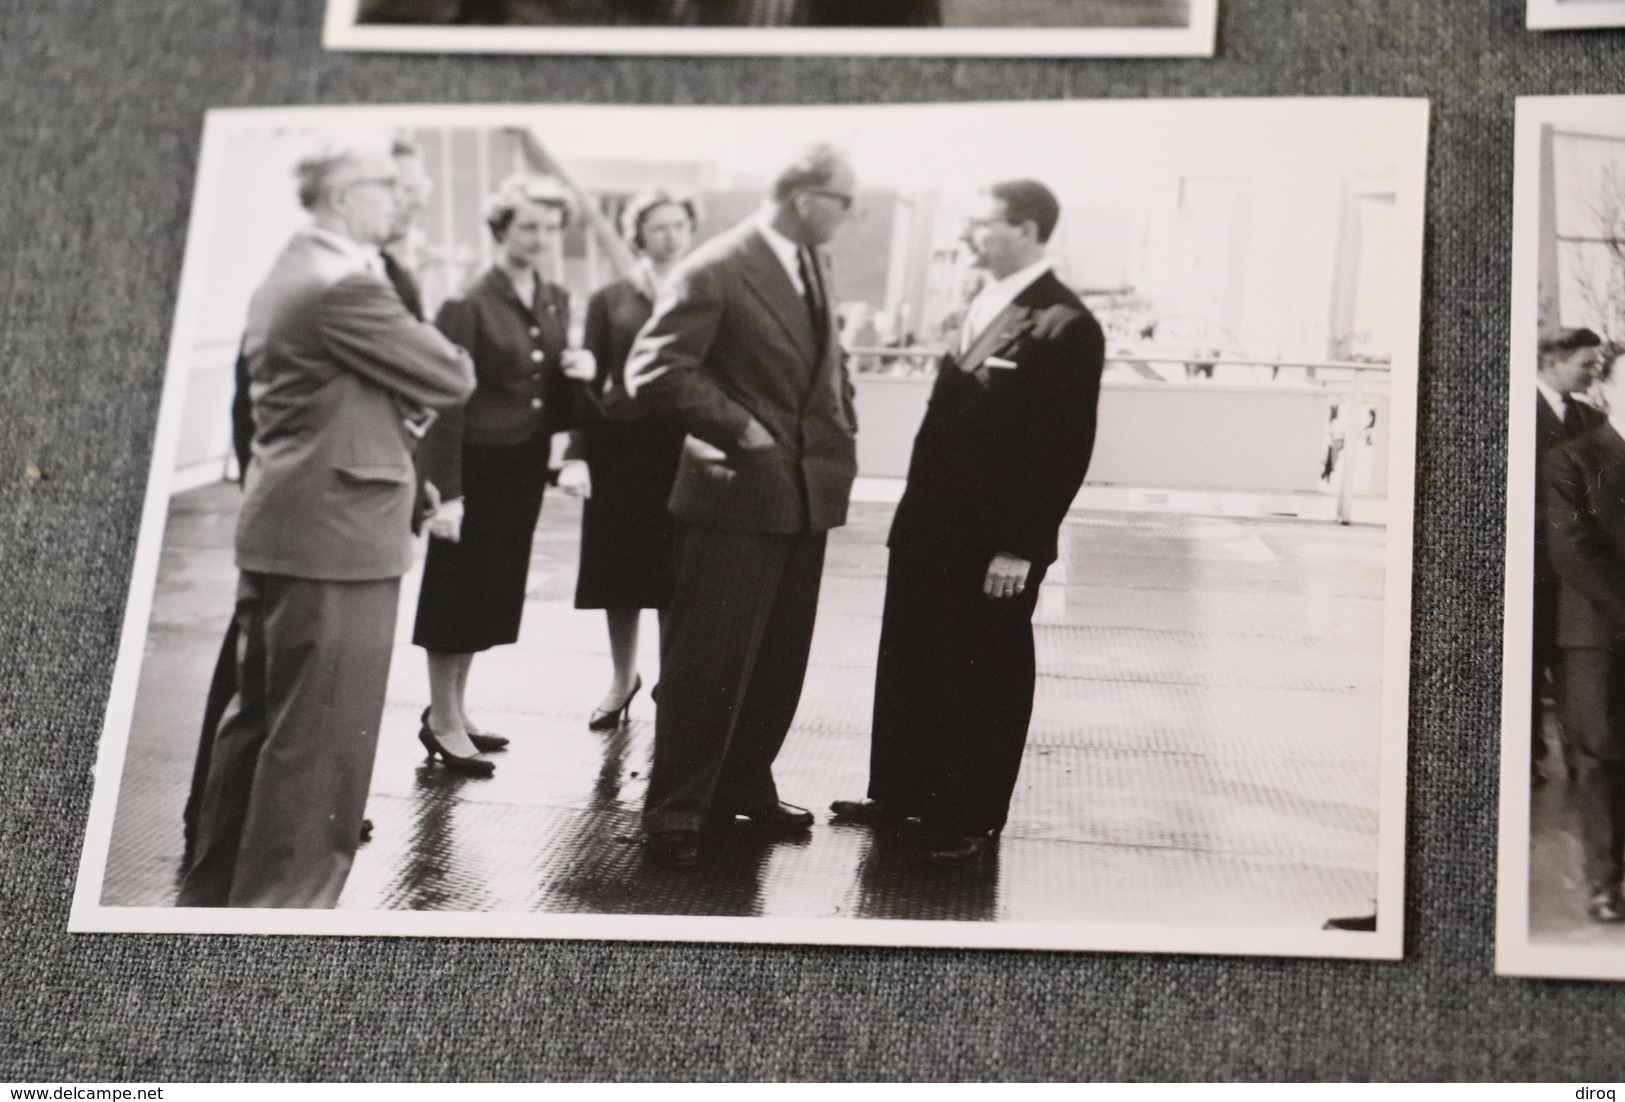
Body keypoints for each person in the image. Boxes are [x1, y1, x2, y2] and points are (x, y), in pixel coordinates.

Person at [178, 141, 475, 908]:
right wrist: (407, 386)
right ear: (345, 197)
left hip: (289, 526)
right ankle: (285, 910)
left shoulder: (292, 269)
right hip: (339, 539)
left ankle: (216, 894)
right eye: (389, 188)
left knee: (260, 727)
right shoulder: (344, 283)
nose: (401, 201)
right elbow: (452, 373)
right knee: (319, 749)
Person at [831, 179, 1105, 867]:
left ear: (1028, 229)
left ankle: (970, 813)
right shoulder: (978, 305)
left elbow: (1060, 450)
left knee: (983, 671)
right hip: (928, 526)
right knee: (913, 658)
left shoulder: (1063, 325)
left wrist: (1021, 546)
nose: (966, 236)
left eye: (981, 224)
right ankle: (898, 793)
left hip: (992, 541)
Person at [622, 143, 860, 867]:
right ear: (803, 200)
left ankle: (743, 786)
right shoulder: (716, 267)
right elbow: (654, 369)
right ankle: (675, 811)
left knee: (777, 658)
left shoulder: (811, 263)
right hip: (737, 496)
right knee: (708, 662)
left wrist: (842, 420)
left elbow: (827, 363)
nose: (852, 215)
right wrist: (739, 427)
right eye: (844, 201)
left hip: (802, 494)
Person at [412, 174, 589, 775]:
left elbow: (553, 381)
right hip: (475, 466)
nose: (540, 237)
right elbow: (443, 402)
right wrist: (447, 493)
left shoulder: (554, 295)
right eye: (527, 226)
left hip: (523, 463)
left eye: (549, 227)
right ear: (500, 230)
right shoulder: (467, 301)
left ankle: (456, 711)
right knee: (455, 589)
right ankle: (441, 718)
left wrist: (582, 372)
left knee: (490, 588)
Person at [568, 188, 698, 730]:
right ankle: (624, 678)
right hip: (620, 446)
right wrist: (577, 453)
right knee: (618, 572)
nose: (671, 235)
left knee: (679, 570)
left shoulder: (706, 291)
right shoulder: (610, 297)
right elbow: (587, 379)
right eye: (659, 226)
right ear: (638, 234)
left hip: (685, 446)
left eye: (679, 225)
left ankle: (676, 684)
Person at [1545, 345, 1625, 921]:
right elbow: (1572, 549)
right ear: (1606, 391)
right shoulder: (1571, 459)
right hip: (1599, 636)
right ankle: (1605, 881)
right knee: (1600, 757)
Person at [1534, 327, 1605, 785]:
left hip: (1576, 578)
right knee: (1529, 661)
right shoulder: (1514, 413)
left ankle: (1580, 758)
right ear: (1554, 361)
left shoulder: (1593, 420)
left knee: (1575, 676)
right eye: (1586, 363)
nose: (1593, 372)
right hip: (1535, 571)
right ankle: (1526, 760)